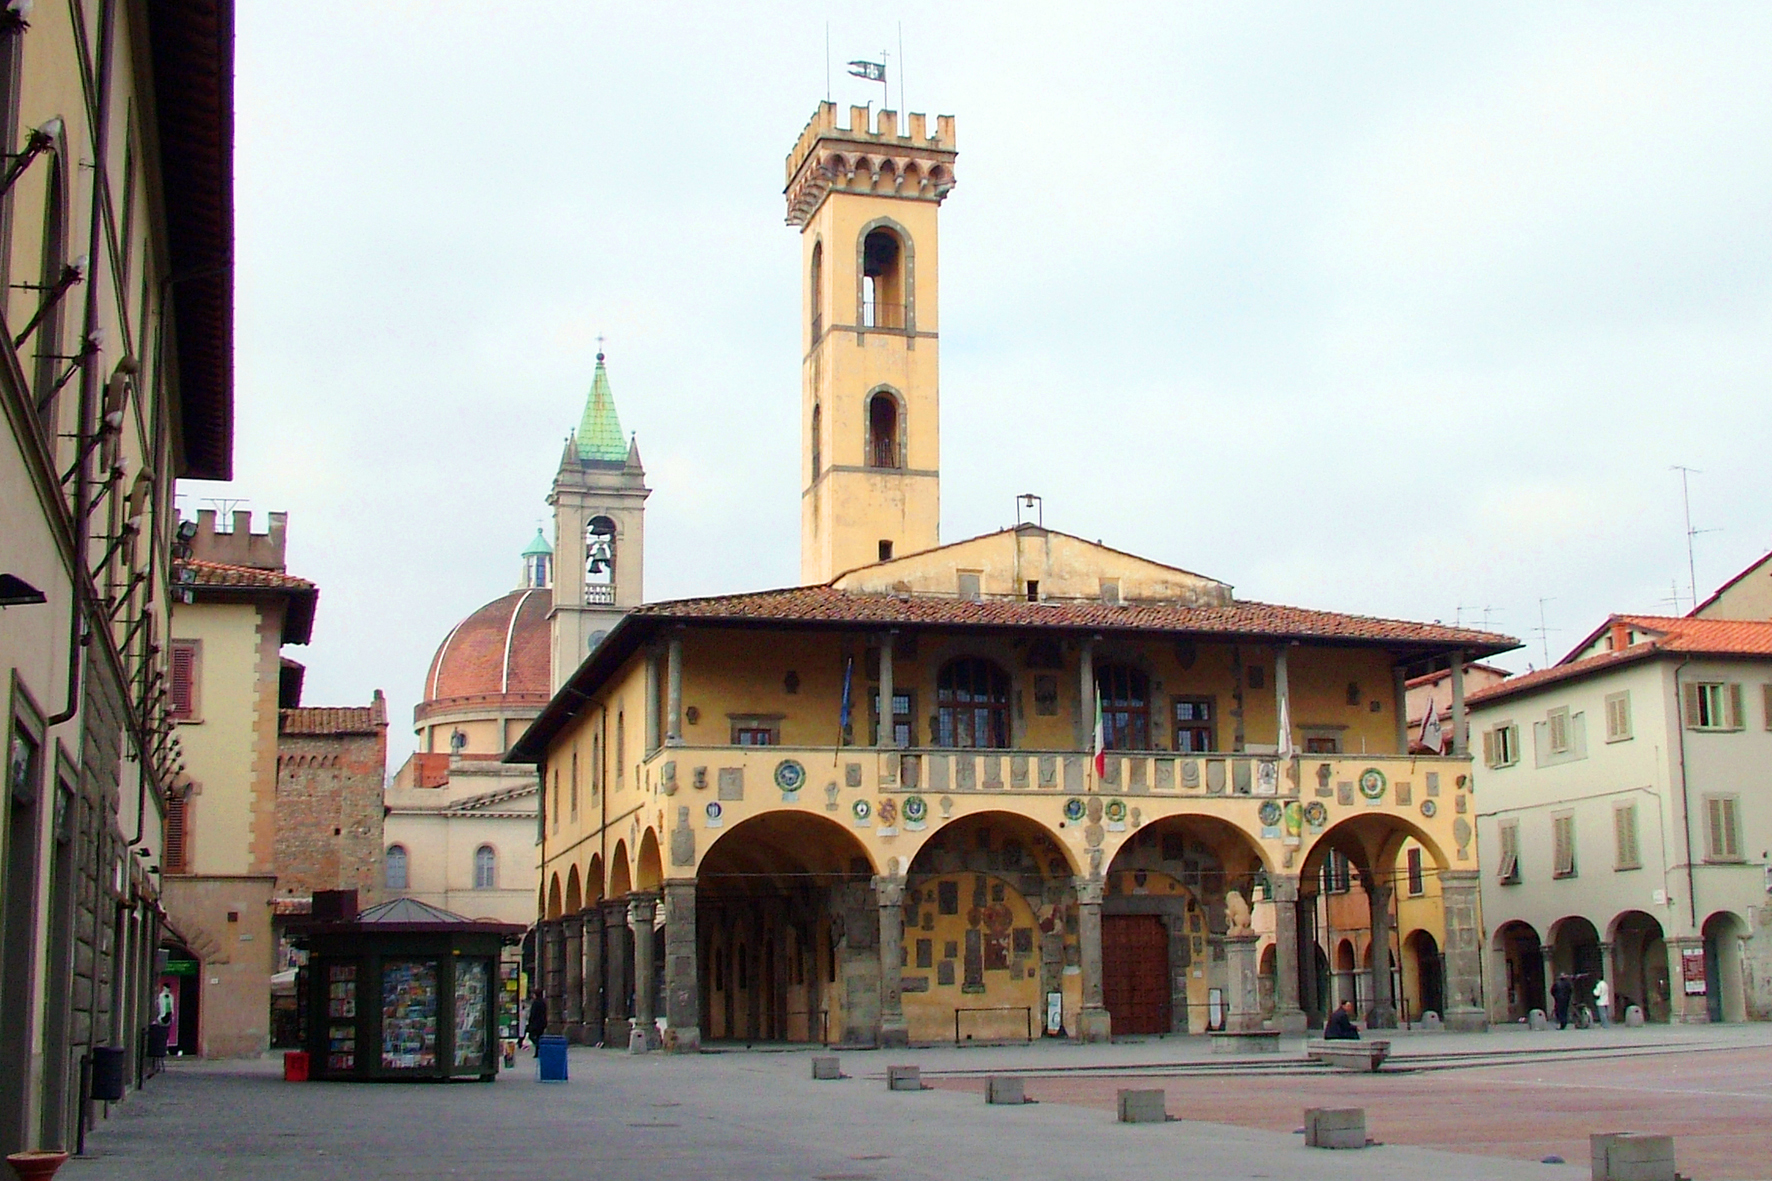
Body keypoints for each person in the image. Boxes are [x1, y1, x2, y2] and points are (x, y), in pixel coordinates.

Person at [525, 989, 548, 1055]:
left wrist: (530, 1023)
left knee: (531, 1036)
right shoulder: (543, 1002)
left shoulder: (535, 1003)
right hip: (542, 1022)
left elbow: (533, 1014)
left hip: (536, 1023)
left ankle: (539, 1047)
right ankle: (538, 1051)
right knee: (539, 1036)